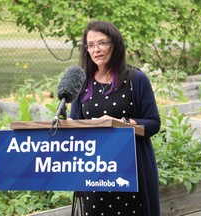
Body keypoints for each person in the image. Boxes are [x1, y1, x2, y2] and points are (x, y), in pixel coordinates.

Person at [69, 20, 161, 216]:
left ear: (115, 44)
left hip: (131, 170)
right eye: (91, 45)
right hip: (95, 172)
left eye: (102, 43)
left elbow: (153, 123)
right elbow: (73, 125)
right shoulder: (82, 82)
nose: (96, 50)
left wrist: (120, 124)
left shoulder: (136, 79)